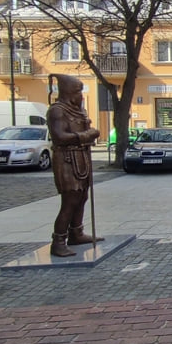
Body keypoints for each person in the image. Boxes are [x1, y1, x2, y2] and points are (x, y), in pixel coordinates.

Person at [47, 73, 103, 257]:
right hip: (66, 159)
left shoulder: (77, 111)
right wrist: (85, 136)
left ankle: (76, 233)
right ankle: (58, 241)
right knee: (70, 200)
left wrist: (90, 132)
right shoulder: (57, 111)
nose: (81, 95)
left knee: (82, 197)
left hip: (81, 157)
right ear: (69, 92)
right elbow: (59, 137)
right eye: (78, 91)